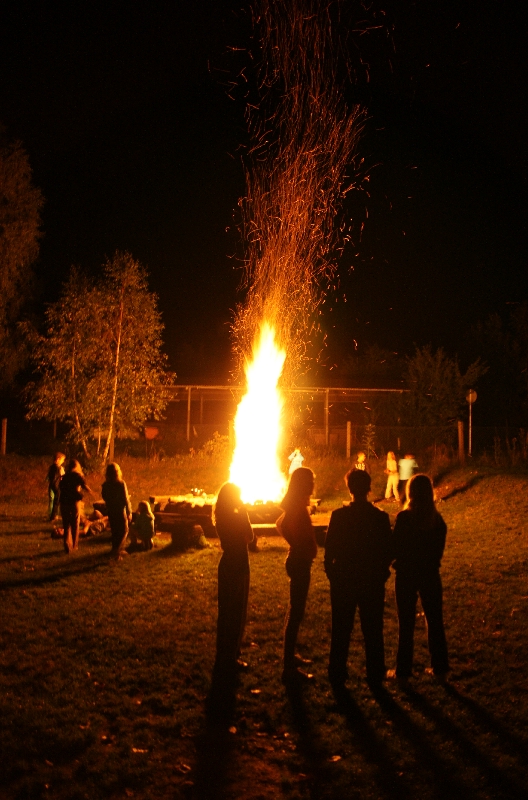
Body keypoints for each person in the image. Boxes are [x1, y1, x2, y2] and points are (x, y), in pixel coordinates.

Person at [324, 469, 392, 690]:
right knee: (373, 629)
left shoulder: (339, 516)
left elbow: (329, 550)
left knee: (341, 629)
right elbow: (388, 551)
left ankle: (337, 672)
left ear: (349, 489)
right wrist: (382, 573)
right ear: (369, 488)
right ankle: (375, 673)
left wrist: (332, 574)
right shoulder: (379, 517)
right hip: (371, 581)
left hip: (344, 580)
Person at [389, 474, 449, 687]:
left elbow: (395, 548)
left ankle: (403, 673)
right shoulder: (438, 522)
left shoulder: (405, 519)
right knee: (435, 622)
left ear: (410, 492)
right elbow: (437, 552)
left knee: (406, 624)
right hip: (430, 575)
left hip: (406, 575)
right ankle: (440, 670)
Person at [276, 467, 317, 684]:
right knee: (296, 613)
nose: (313, 484)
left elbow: (280, 523)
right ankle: (289, 668)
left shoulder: (298, 504)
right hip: (299, 563)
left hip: (301, 560)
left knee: (295, 612)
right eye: (310, 481)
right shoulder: (297, 507)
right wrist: (297, 545)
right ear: (303, 483)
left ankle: (290, 656)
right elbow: (282, 524)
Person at [212, 482, 254, 684]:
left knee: (226, 613)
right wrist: (244, 513)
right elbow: (250, 537)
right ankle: (231, 657)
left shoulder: (221, 517)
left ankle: (225, 655)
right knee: (237, 613)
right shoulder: (237, 516)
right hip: (238, 564)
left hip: (227, 564)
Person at [59, 459, 92, 553]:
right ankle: (74, 545)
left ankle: (66, 543)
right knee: (75, 523)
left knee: (66, 524)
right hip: (74, 501)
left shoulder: (65, 476)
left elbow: (60, 486)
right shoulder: (78, 475)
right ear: (77, 467)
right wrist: (91, 492)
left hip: (64, 501)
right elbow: (84, 485)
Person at [102, 462, 132, 559]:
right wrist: (129, 511)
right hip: (120, 510)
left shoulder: (105, 485)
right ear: (117, 472)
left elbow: (104, 496)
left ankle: (116, 549)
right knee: (124, 530)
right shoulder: (121, 484)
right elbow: (125, 499)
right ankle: (116, 551)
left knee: (115, 531)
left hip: (111, 510)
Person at [46, 452, 65, 522]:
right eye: (62, 460)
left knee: (54, 500)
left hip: (52, 485)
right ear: (58, 459)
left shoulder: (51, 467)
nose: (63, 461)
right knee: (56, 501)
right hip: (56, 485)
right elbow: (60, 476)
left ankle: (53, 515)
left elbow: (50, 477)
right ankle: (53, 516)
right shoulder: (58, 468)